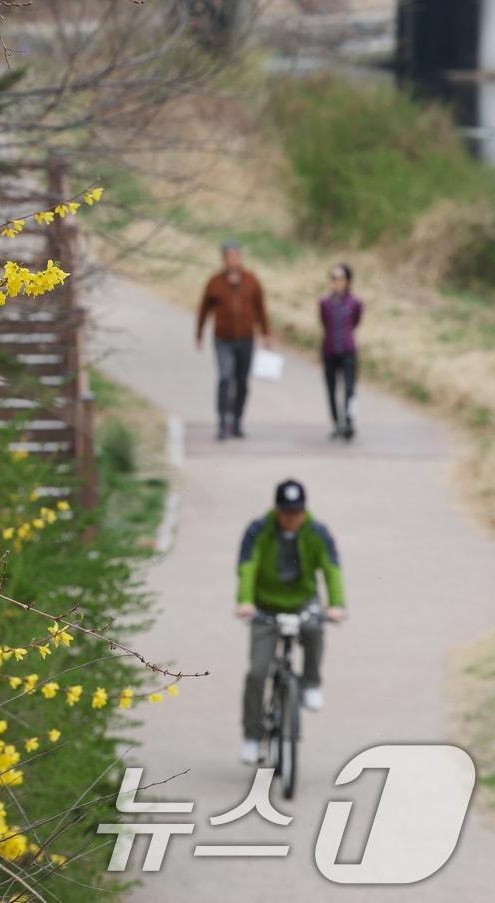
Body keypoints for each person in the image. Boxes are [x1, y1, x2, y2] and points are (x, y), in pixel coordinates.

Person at [234, 478, 347, 765]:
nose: (291, 518)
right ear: (277, 509)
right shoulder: (259, 529)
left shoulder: (317, 531)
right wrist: (245, 601)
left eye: (296, 512)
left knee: (314, 627)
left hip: (302, 601)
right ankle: (252, 736)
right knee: (257, 673)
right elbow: (248, 565)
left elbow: (331, 567)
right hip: (265, 606)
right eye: (286, 512)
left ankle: (310, 683)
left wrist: (336, 605)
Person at [196, 241, 274, 441]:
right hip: (223, 339)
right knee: (224, 377)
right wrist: (199, 333)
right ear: (223, 259)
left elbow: (261, 308)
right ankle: (222, 421)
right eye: (229, 256)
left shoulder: (251, 280)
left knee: (242, 381)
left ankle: (237, 420)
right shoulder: (215, 282)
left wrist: (266, 333)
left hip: (246, 339)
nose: (233, 260)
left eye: (236, 256)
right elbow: (204, 308)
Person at [320, 263, 363, 440]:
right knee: (331, 389)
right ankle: (337, 422)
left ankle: (349, 421)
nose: (335, 282)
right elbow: (324, 322)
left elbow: (356, 321)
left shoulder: (355, 302)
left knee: (349, 390)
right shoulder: (324, 303)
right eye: (333, 278)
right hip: (329, 351)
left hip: (348, 351)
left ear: (347, 281)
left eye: (339, 278)